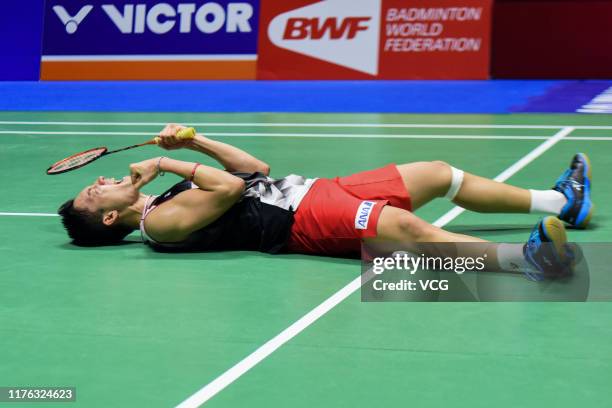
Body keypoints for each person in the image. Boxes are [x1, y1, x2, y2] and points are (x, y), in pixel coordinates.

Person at [58, 124, 593, 281]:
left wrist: (192, 143)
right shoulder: (161, 226)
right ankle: (533, 264)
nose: (99, 179)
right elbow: (229, 188)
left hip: (312, 189)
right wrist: (167, 163)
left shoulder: (167, 199)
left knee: (436, 174)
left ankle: (560, 202)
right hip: (302, 221)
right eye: (93, 189)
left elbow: (254, 171)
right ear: (109, 216)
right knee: (405, 228)